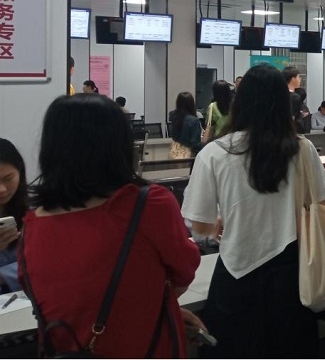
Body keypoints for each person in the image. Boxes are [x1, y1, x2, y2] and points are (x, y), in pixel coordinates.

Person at [19, 94, 202, 358]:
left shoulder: (32, 225)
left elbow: (60, 302)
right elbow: (183, 272)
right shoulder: (149, 205)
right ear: (120, 145)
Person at [182, 64, 325, 358]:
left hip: (235, 276)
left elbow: (198, 226)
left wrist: (221, 221)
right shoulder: (302, 150)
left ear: (240, 102)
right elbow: (322, 208)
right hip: (292, 279)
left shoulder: (214, 152)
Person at [0, 139, 28, 291]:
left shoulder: (34, 211)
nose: (2, 189)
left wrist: (4, 276)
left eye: (8, 179)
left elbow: (46, 261)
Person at [170, 92, 203, 157]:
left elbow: (173, 136)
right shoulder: (194, 121)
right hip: (190, 154)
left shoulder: (174, 117)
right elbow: (195, 143)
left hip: (175, 153)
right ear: (191, 104)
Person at [283, 67, 310, 134]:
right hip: (292, 133)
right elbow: (294, 118)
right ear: (293, 79)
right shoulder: (294, 97)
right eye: (298, 77)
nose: (300, 79)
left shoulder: (277, 94)